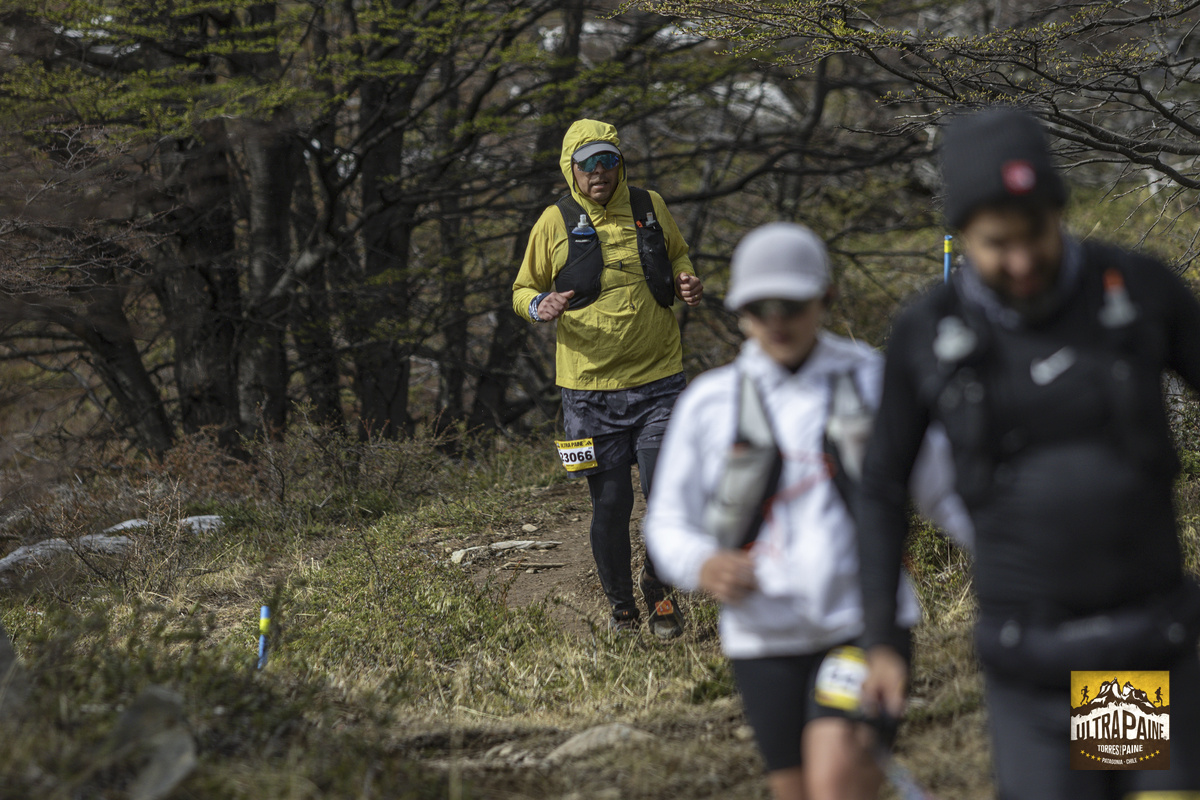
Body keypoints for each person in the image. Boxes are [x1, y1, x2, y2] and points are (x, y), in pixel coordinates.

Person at [856, 107, 1200, 798]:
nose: (1021, 262)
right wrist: (885, 642)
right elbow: (882, 487)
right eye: (997, 244)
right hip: (1030, 658)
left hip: (1135, 651)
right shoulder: (930, 332)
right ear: (961, 235)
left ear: (1059, 213)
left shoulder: (1134, 290)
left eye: (1036, 235)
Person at [644, 223, 969, 800]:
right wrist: (702, 564)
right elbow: (667, 521)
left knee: (837, 777)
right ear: (739, 312)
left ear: (826, 299)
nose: (777, 320)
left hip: (862, 623)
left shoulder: (874, 380)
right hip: (761, 637)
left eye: (791, 304)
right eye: (759, 307)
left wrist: (1023, 554)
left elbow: (943, 490)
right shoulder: (709, 404)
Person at [512, 118, 703, 638]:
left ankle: (659, 588)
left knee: (669, 497)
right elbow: (522, 289)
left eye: (608, 161)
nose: (599, 172)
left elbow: (678, 253)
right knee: (612, 505)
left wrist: (685, 278)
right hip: (588, 393)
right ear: (570, 169)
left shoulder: (649, 205)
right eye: (588, 164)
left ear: (620, 163)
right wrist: (538, 304)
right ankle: (622, 609)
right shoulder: (553, 221)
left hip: (661, 382)